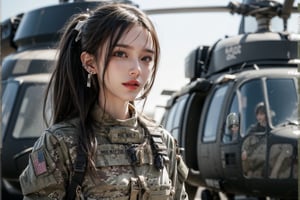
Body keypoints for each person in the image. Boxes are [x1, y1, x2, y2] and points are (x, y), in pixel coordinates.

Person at [19, 3, 189, 200]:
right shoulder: (60, 143)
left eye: (146, 58)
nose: (136, 69)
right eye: (120, 54)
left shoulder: (162, 143)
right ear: (90, 63)